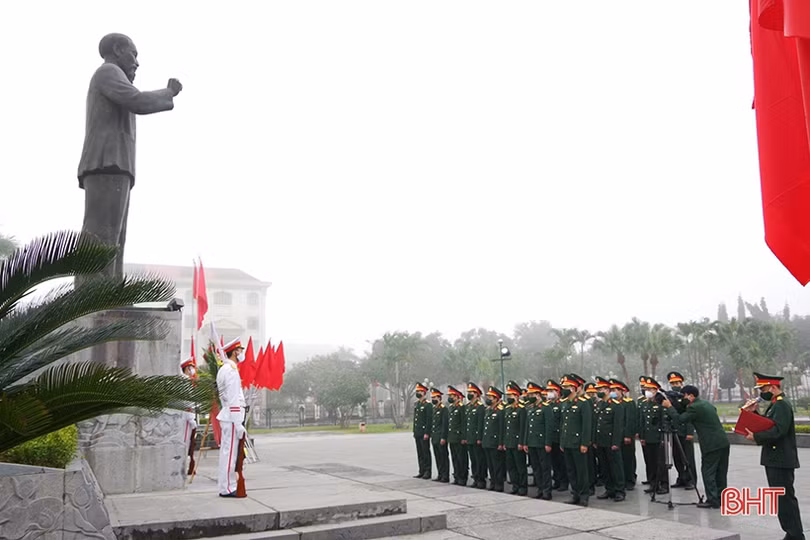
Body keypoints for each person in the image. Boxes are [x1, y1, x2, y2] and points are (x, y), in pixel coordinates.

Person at [77, 33, 182, 280]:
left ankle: (111, 293)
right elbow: (137, 100)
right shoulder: (109, 72)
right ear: (116, 49)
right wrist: (168, 92)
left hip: (115, 163)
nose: (137, 62)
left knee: (115, 235)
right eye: (133, 54)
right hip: (106, 161)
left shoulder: (114, 75)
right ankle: (92, 296)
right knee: (102, 233)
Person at [742, 372, 805, 540]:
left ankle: (795, 535)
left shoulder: (781, 405)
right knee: (781, 499)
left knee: (785, 499)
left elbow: (778, 430)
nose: (762, 392)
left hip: (781, 459)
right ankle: (791, 533)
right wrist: (753, 414)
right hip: (775, 458)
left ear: (773, 387)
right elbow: (768, 425)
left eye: (763, 388)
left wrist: (756, 437)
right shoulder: (775, 404)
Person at [662, 384, 729, 509]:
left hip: (711, 444)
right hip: (722, 442)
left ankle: (712, 500)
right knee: (721, 472)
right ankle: (721, 498)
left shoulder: (694, 408)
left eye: (684, 396)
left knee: (708, 472)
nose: (683, 399)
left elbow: (680, 419)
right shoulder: (705, 403)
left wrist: (670, 407)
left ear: (691, 396)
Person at [216, 338, 247, 497]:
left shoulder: (224, 369)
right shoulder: (231, 370)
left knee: (227, 453)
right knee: (230, 455)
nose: (242, 353)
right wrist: (238, 423)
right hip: (232, 417)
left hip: (228, 415)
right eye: (240, 350)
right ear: (235, 352)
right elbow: (233, 398)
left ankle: (225, 486)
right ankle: (227, 488)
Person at [560, 373, 593, 507]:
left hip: (578, 443)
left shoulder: (583, 403)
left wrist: (584, 443)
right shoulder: (565, 403)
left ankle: (584, 495)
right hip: (567, 443)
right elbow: (563, 425)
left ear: (573, 388)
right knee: (571, 471)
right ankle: (575, 494)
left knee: (581, 471)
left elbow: (586, 425)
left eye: (566, 386)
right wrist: (562, 442)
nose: (564, 389)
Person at [595, 378, 626, 502]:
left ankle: (620, 490)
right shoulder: (600, 404)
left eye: (601, 389)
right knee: (605, 467)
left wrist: (615, 442)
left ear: (608, 390)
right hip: (601, 441)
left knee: (616, 467)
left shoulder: (616, 405)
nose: (599, 391)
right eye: (598, 389)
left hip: (611, 441)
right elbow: (597, 424)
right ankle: (609, 489)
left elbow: (618, 426)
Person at [667, 371, 696, 490]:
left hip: (685, 431)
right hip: (674, 431)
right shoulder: (669, 396)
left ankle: (691, 479)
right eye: (673, 383)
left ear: (681, 382)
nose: (675, 385)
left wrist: (690, 432)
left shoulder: (686, 395)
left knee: (688, 457)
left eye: (677, 382)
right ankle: (681, 477)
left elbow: (690, 414)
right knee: (677, 457)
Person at [524, 381, 552, 500]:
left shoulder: (546, 408)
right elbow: (527, 427)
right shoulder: (531, 409)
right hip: (532, 443)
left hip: (542, 443)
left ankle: (547, 491)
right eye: (529, 395)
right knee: (536, 467)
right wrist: (526, 442)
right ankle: (540, 488)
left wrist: (548, 443)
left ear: (538, 395)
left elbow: (548, 427)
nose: (530, 397)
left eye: (532, 395)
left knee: (545, 468)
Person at [639, 377, 667, 495]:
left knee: (661, 462)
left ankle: (664, 484)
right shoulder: (645, 404)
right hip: (648, 437)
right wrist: (642, 437)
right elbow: (642, 421)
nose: (647, 391)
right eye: (646, 389)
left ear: (656, 390)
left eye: (650, 389)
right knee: (650, 462)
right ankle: (653, 483)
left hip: (658, 437)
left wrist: (662, 438)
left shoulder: (662, 403)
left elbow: (664, 421)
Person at [503, 381, 528, 495]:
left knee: (520, 466)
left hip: (517, 442)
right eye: (508, 395)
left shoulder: (521, 409)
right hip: (508, 442)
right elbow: (505, 427)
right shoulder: (507, 409)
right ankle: (515, 485)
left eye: (511, 395)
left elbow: (523, 427)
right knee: (511, 466)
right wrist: (504, 442)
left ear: (517, 396)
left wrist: (522, 442)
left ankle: (523, 487)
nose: (509, 397)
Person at [546, 379, 569, 492]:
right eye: (549, 390)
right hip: (552, 438)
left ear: (558, 392)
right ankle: (557, 480)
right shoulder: (548, 405)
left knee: (562, 461)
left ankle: (564, 482)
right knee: (554, 461)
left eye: (552, 390)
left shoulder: (562, 404)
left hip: (560, 437)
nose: (550, 393)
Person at [482, 386, 506, 492]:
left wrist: (501, 443)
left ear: (496, 399)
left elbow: (501, 428)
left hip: (495, 442)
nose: (489, 399)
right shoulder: (488, 410)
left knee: (497, 465)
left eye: (491, 397)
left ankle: (499, 483)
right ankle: (493, 481)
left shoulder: (500, 411)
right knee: (490, 465)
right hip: (487, 441)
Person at [464, 382, 487, 489]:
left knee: (479, 460)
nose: (469, 394)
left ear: (477, 394)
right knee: (473, 460)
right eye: (468, 392)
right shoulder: (468, 407)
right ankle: (475, 478)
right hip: (470, 438)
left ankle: (481, 480)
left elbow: (480, 424)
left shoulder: (480, 407)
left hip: (477, 438)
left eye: (471, 393)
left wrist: (479, 438)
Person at [180, 357, 198, 476]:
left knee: (187, 443)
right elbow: (187, 402)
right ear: (187, 369)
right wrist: (191, 418)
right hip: (186, 417)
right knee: (185, 444)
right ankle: (184, 468)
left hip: (185, 416)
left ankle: (186, 467)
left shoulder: (185, 381)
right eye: (191, 368)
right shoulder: (185, 381)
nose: (193, 370)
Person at [446, 385, 467, 486]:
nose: (450, 397)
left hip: (459, 438)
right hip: (452, 437)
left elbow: (463, 423)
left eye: (452, 395)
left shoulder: (461, 407)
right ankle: (457, 476)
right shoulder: (451, 407)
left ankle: (462, 477)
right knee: (454, 458)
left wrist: (463, 437)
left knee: (461, 458)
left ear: (457, 396)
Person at [412, 382, 433, 479]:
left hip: (424, 433)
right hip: (418, 432)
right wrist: (414, 431)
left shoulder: (428, 405)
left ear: (424, 393)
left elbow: (429, 420)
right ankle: (421, 470)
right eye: (417, 391)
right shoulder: (417, 404)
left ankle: (428, 471)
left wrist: (427, 432)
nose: (418, 393)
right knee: (419, 452)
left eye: (420, 391)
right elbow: (415, 419)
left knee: (425, 452)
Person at [429, 388, 450, 483]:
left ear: (439, 398)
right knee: (437, 457)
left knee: (443, 457)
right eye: (432, 397)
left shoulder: (443, 409)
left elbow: (445, 425)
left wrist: (443, 437)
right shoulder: (434, 409)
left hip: (441, 438)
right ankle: (440, 474)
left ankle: (445, 475)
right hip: (435, 437)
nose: (433, 399)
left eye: (435, 397)